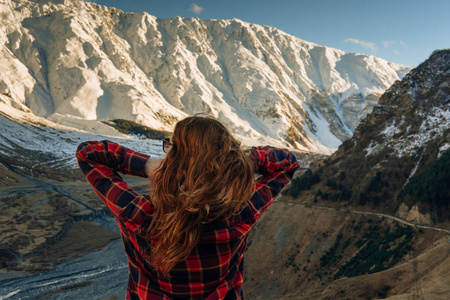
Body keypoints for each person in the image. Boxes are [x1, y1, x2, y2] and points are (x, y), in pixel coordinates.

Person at [76, 115, 299, 300]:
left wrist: (145, 164)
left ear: (173, 160)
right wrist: (233, 164)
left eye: (169, 146)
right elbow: (287, 163)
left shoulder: (138, 214)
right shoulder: (239, 215)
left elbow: (88, 154)